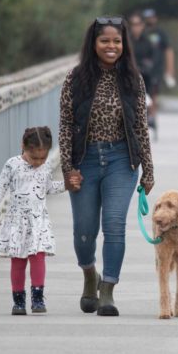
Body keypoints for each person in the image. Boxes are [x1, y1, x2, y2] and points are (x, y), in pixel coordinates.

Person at [59, 16, 155, 317]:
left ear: (124, 44)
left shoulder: (133, 79)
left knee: (114, 224)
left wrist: (149, 170)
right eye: (105, 41)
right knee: (84, 231)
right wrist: (67, 169)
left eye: (117, 41)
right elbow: (65, 126)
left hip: (121, 160)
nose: (111, 46)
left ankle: (108, 290)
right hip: (84, 160)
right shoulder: (75, 78)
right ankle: (90, 275)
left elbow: (141, 126)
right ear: (94, 44)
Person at [0, 126, 69, 315]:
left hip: (38, 221)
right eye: (34, 158)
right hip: (17, 222)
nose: (38, 162)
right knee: (18, 261)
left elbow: (47, 188)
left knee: (38, 257)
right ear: (23, 146)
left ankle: (38, 298)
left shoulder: (45, 167)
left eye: (43, 158)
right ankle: (18, 301)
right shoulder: (12, 165)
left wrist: (67, 185)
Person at [129, 12, 158, 134]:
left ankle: (150, 117)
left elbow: (153, 58)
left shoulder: (148, 41)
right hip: (129, 75)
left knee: (148, 97)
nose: (135, 27)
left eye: (138, 24)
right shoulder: (126, 41)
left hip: (145, 76)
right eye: (133, 24)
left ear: (142, 25)